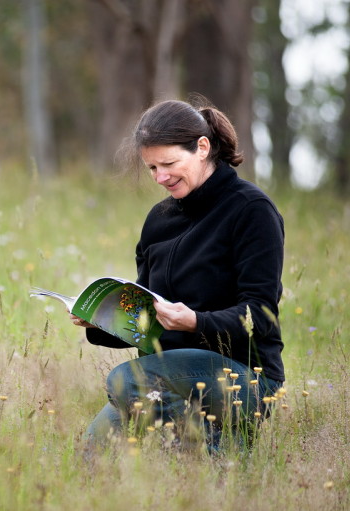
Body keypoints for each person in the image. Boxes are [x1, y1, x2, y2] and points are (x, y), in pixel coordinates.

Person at [71, 98, 285, 450]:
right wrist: (102, 322)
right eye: (152, 168)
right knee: (92, 455)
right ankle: (200, 448)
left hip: (242, 377)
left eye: (169, 163)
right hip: (163, 377)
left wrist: (197, 322)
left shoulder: (251, 211)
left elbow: (259, 314)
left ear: (203, 148)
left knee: (127, 381)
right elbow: (148, 323)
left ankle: (210, 456)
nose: (161, 177)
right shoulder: (159, 220)